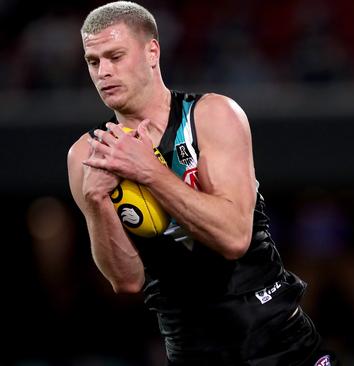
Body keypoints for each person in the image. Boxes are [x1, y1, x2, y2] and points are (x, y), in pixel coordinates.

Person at [66, 2, 337, 365]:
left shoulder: (213, 116)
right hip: (191, 349)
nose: (104, 72)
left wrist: (150, 171)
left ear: (152, 51)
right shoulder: (87, 154)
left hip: (279, 342)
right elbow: (127, 280)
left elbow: (234, 238)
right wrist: (97, 201)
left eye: (115, 56)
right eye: (93, 61)